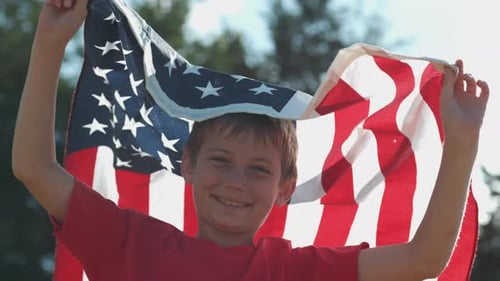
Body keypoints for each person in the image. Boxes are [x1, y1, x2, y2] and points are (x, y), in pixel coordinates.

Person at [12, 0, 490, 280]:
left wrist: (462, 143)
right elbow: (33, 169)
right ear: (188, 166)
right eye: (220, 160)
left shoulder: (293, 270)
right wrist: (50, 43)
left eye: (259, 168)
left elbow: (422, 260)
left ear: (284, 187)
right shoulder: (132, 243)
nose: (236, 182)